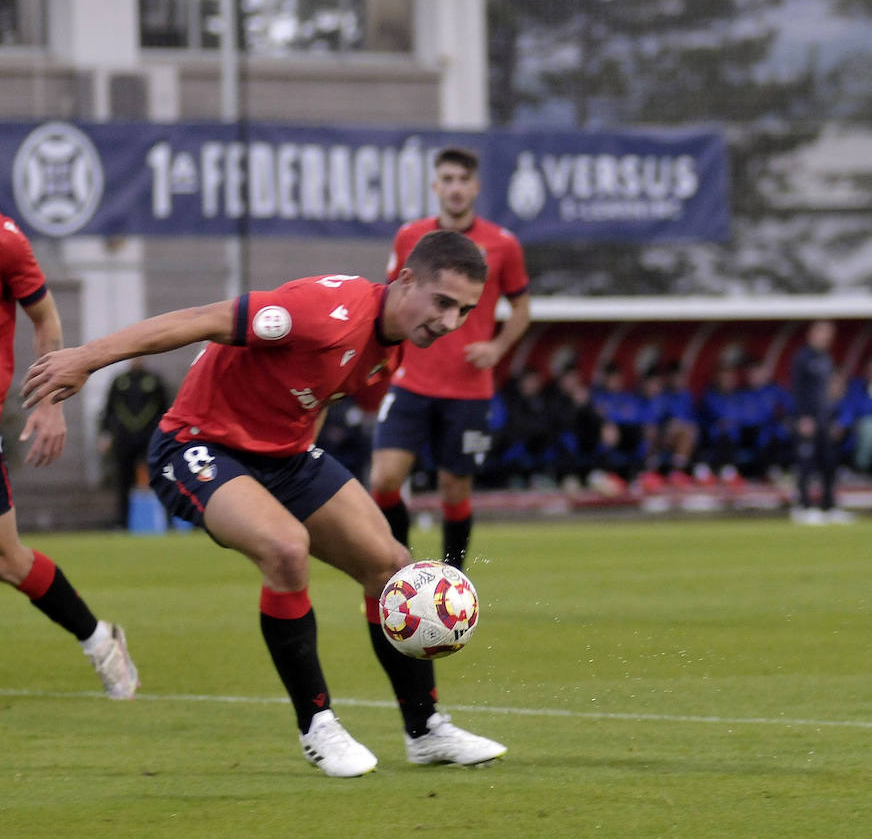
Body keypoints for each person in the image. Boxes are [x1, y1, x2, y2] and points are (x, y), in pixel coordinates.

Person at [23, 231, 507, 777]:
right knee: (285, 548)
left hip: (288, 457)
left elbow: (315, 393)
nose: (450, 322)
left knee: (394, 569)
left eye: (464, 310)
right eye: (443, 302)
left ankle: (426, 730)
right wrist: (86, 359)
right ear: (406, 280)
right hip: (197, 446)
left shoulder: (389, 349)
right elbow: (201, 319)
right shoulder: (325, 311)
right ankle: (318, 725)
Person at [370, 146, 531, 571]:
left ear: (475, 187)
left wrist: (496, 348)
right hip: (411, 381)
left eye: (463, 180)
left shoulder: (503, 244)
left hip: (469, 390)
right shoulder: (411, 238)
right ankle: (399, 568)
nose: (456, 188)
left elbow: (522, 309)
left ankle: (453, 581)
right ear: (435, 186)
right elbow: (388, 299)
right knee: (384, 481)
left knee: (454, 488)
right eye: (448, 179)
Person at [0, 213, 138, 700]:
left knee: (9, 559)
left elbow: (46, 321)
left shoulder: (6, 240)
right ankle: (99, 638)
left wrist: (49, 403)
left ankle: (100, 640)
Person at [790, 320, 852, 524]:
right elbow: (798, 391)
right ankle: (803, 506)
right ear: (812, 334)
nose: (826, 338)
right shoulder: (802, 358)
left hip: (825, 420)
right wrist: (802, 417)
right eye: (823, 333)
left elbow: (830, 393)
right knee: (806, 463)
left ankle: (828, 506)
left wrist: (834, 418)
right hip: (808, 419)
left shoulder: (826, 359)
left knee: (828, 463)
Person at [98, 358, 171, 529]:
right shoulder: (119, 381)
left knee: (160, 477)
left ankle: (168, 521)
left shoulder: (154, 380)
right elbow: (108, 409)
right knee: (123, 482)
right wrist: (105, 434)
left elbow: (165, 408)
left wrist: (166, 435)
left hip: (149, 438)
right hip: (124, 439)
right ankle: (122, 523)